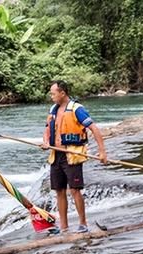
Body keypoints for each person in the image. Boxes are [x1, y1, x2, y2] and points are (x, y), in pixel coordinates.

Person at [41, 80, 107, 233]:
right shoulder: (53, 109)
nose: (51, 96)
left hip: (72, 155)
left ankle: (83, 224)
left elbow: (94, 128)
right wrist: (45, 141)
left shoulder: (77, 109)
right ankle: (64, 226)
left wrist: (102, 152)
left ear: (62, 93)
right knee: (59, 190)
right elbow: (47, 129)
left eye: (53, 93)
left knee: (75, 190)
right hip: (55, 155)